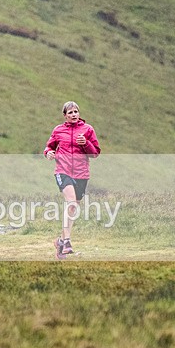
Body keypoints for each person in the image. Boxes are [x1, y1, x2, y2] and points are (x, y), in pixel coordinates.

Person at [44, 101, 101, 258]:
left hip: (82, 174)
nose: (74, 114)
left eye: (76, 111)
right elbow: (49, 147)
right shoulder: (58, 130)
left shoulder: (88, 130)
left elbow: (95, 153)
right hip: (63, 170)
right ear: (65, 116)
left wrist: (86, 144)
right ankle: (67, 241)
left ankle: (60, 242)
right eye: (70, 113)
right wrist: (48, 153)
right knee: (70, 203)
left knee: (73, 209)